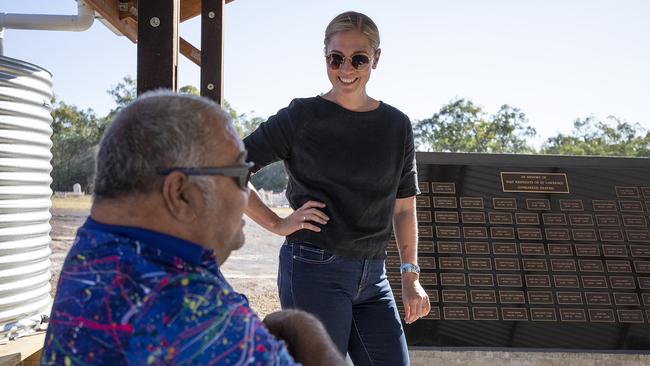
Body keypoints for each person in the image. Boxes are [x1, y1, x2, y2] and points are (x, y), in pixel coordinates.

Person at [40, 91, 345, 366]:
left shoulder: (95, 247)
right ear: (181, 194)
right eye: (240, 176)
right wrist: (304, 330)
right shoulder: (192, 315)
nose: (247, 195)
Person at [243, 11, 430, 366]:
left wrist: (410, 275)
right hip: (314, 268)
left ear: (375, 58)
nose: (346, 68)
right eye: (336, 58)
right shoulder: (300, 116)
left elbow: (404, 209)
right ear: (325, 57)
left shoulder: (397, 126)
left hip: (374, 276)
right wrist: (276, 223)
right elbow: (230, 169)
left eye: (359, 58)